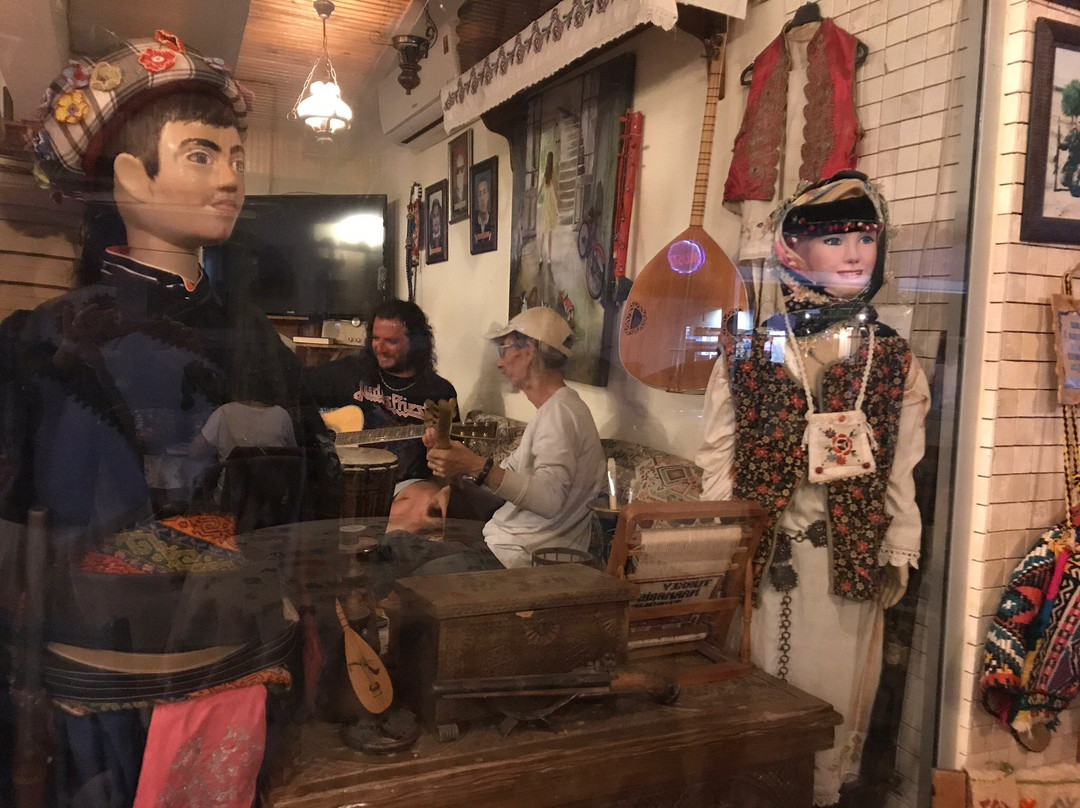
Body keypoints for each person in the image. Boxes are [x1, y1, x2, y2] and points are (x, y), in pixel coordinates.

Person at [0, 32, 337, 807]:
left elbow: (302, 505)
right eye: (201, 154)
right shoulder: (46, 343)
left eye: (236, 158)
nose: (231, 179)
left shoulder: (259, 343)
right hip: (98, 679)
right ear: (129, 175)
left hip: (239, 660)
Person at [696, 171, 929, 807]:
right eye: (834, 239)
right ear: (792, 252)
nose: (855, 254)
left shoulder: (892, 359)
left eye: (865, 238)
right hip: (763, 558)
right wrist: (720, 543)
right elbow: (718, 455)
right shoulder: (750, 349)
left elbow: (900, 467)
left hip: (847, 565)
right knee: (758, 701)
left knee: (829, 701)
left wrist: (899, 547)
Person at [423, 307, 606, 571]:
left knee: (410, 576)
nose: (499, 363)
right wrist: (455, 462)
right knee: (396, 547)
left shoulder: (560, 415)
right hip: (502, 547)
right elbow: (504, 480)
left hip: (519, 560)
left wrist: (476, 465)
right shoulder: (554, 411)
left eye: (504, 350)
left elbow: (550, 499)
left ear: (529, 351)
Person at [304, 299, 457, 482]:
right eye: (376, 339)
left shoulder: (439, 392)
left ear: (416, 342)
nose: (380, 349)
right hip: (340, 479)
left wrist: (437, 451)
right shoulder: (352, 371)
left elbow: (449, 465)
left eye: (391, 341)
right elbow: (296, 385)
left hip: (403, 484)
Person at [473, 176, 493, 247]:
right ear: (477, 198)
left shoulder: (493, 220)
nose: (482, 198)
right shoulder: (473, 222)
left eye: (484, 192)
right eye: (479, 194)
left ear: (488, 195)